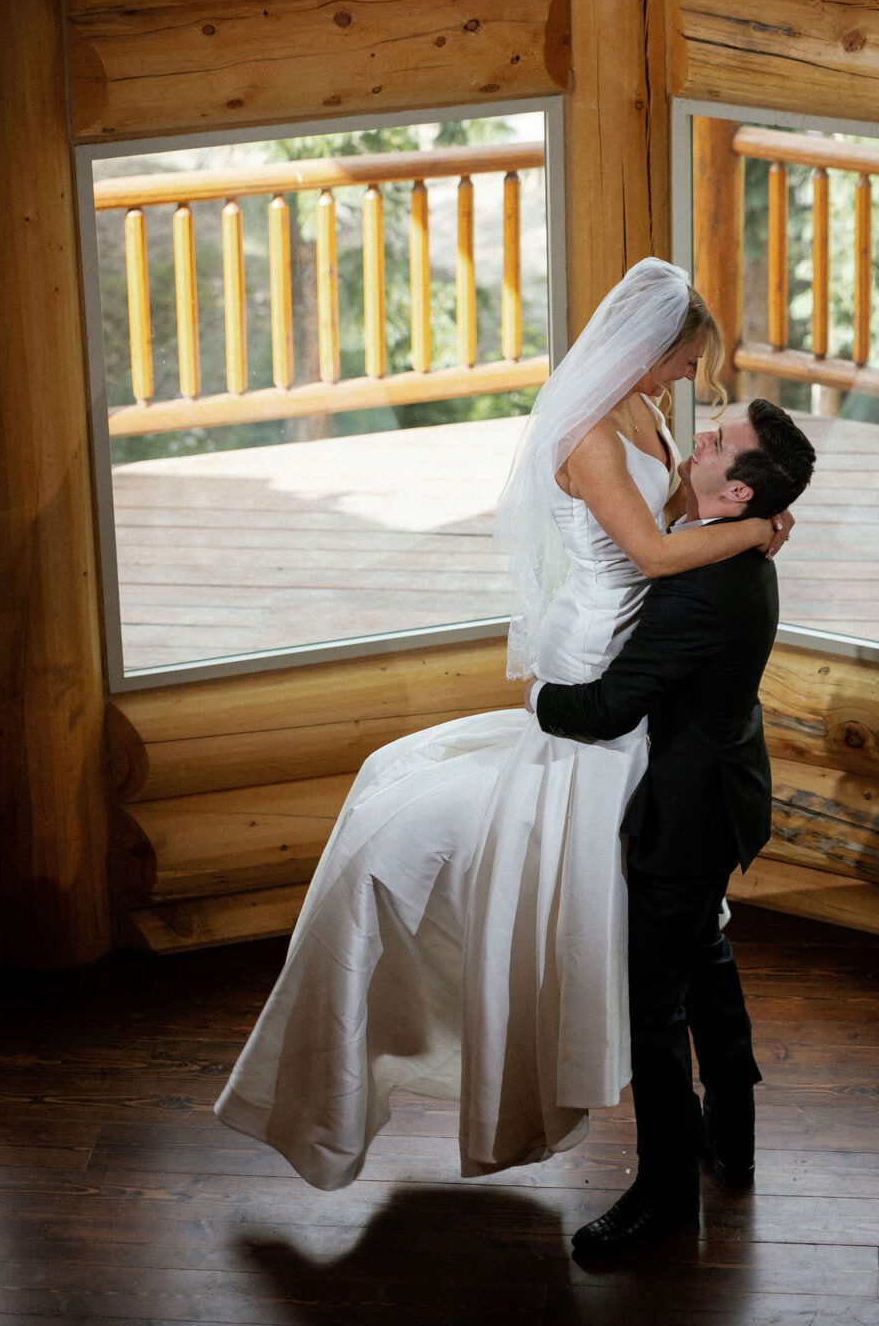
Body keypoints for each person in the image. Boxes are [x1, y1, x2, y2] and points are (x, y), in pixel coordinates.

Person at [214, 258, 794, 1188]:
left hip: (636, 654)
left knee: (661, 908)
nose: (693, 383)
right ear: (648, 352)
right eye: (687, 363)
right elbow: (650, 551)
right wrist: (757, 530)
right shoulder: (591, 436)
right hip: (598, 647)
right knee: (566, 843)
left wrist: (736, 516)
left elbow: (682, 510)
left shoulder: (643, 412)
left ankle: (674, 1073)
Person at [531, 397, 816, 1258]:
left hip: (689, 815)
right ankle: (734, 1131)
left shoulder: (700, 586)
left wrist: (538, 695)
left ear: (735, 495)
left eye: (719, 441)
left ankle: (663, 1199)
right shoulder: (737, 556)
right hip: (726, 790)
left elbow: (611, 705)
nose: (700, 435)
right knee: (706, 956)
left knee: (655, 1005)